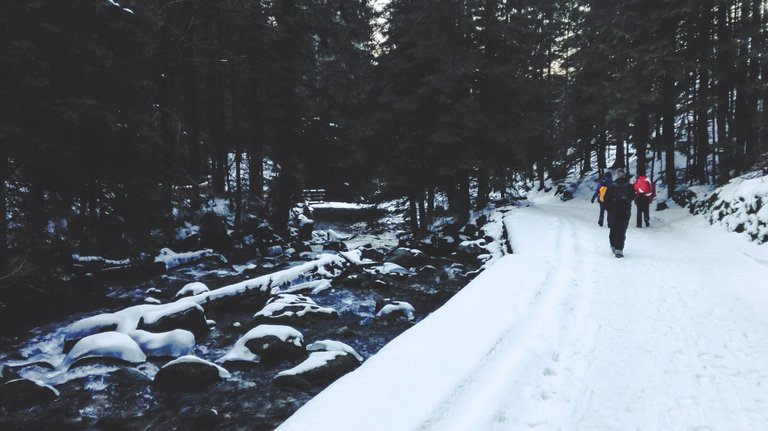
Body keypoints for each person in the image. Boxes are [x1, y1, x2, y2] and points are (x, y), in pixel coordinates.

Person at [604, 168, 634, 258]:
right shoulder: (629, 185)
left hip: (614, 211)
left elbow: (606, 199)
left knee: (613, 228)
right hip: (625, 211)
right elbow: (633, 196)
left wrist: (608, 209)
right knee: (621, 230)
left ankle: (613, 245)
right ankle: (619, 250)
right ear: (624, 175)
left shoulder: (612, 186)